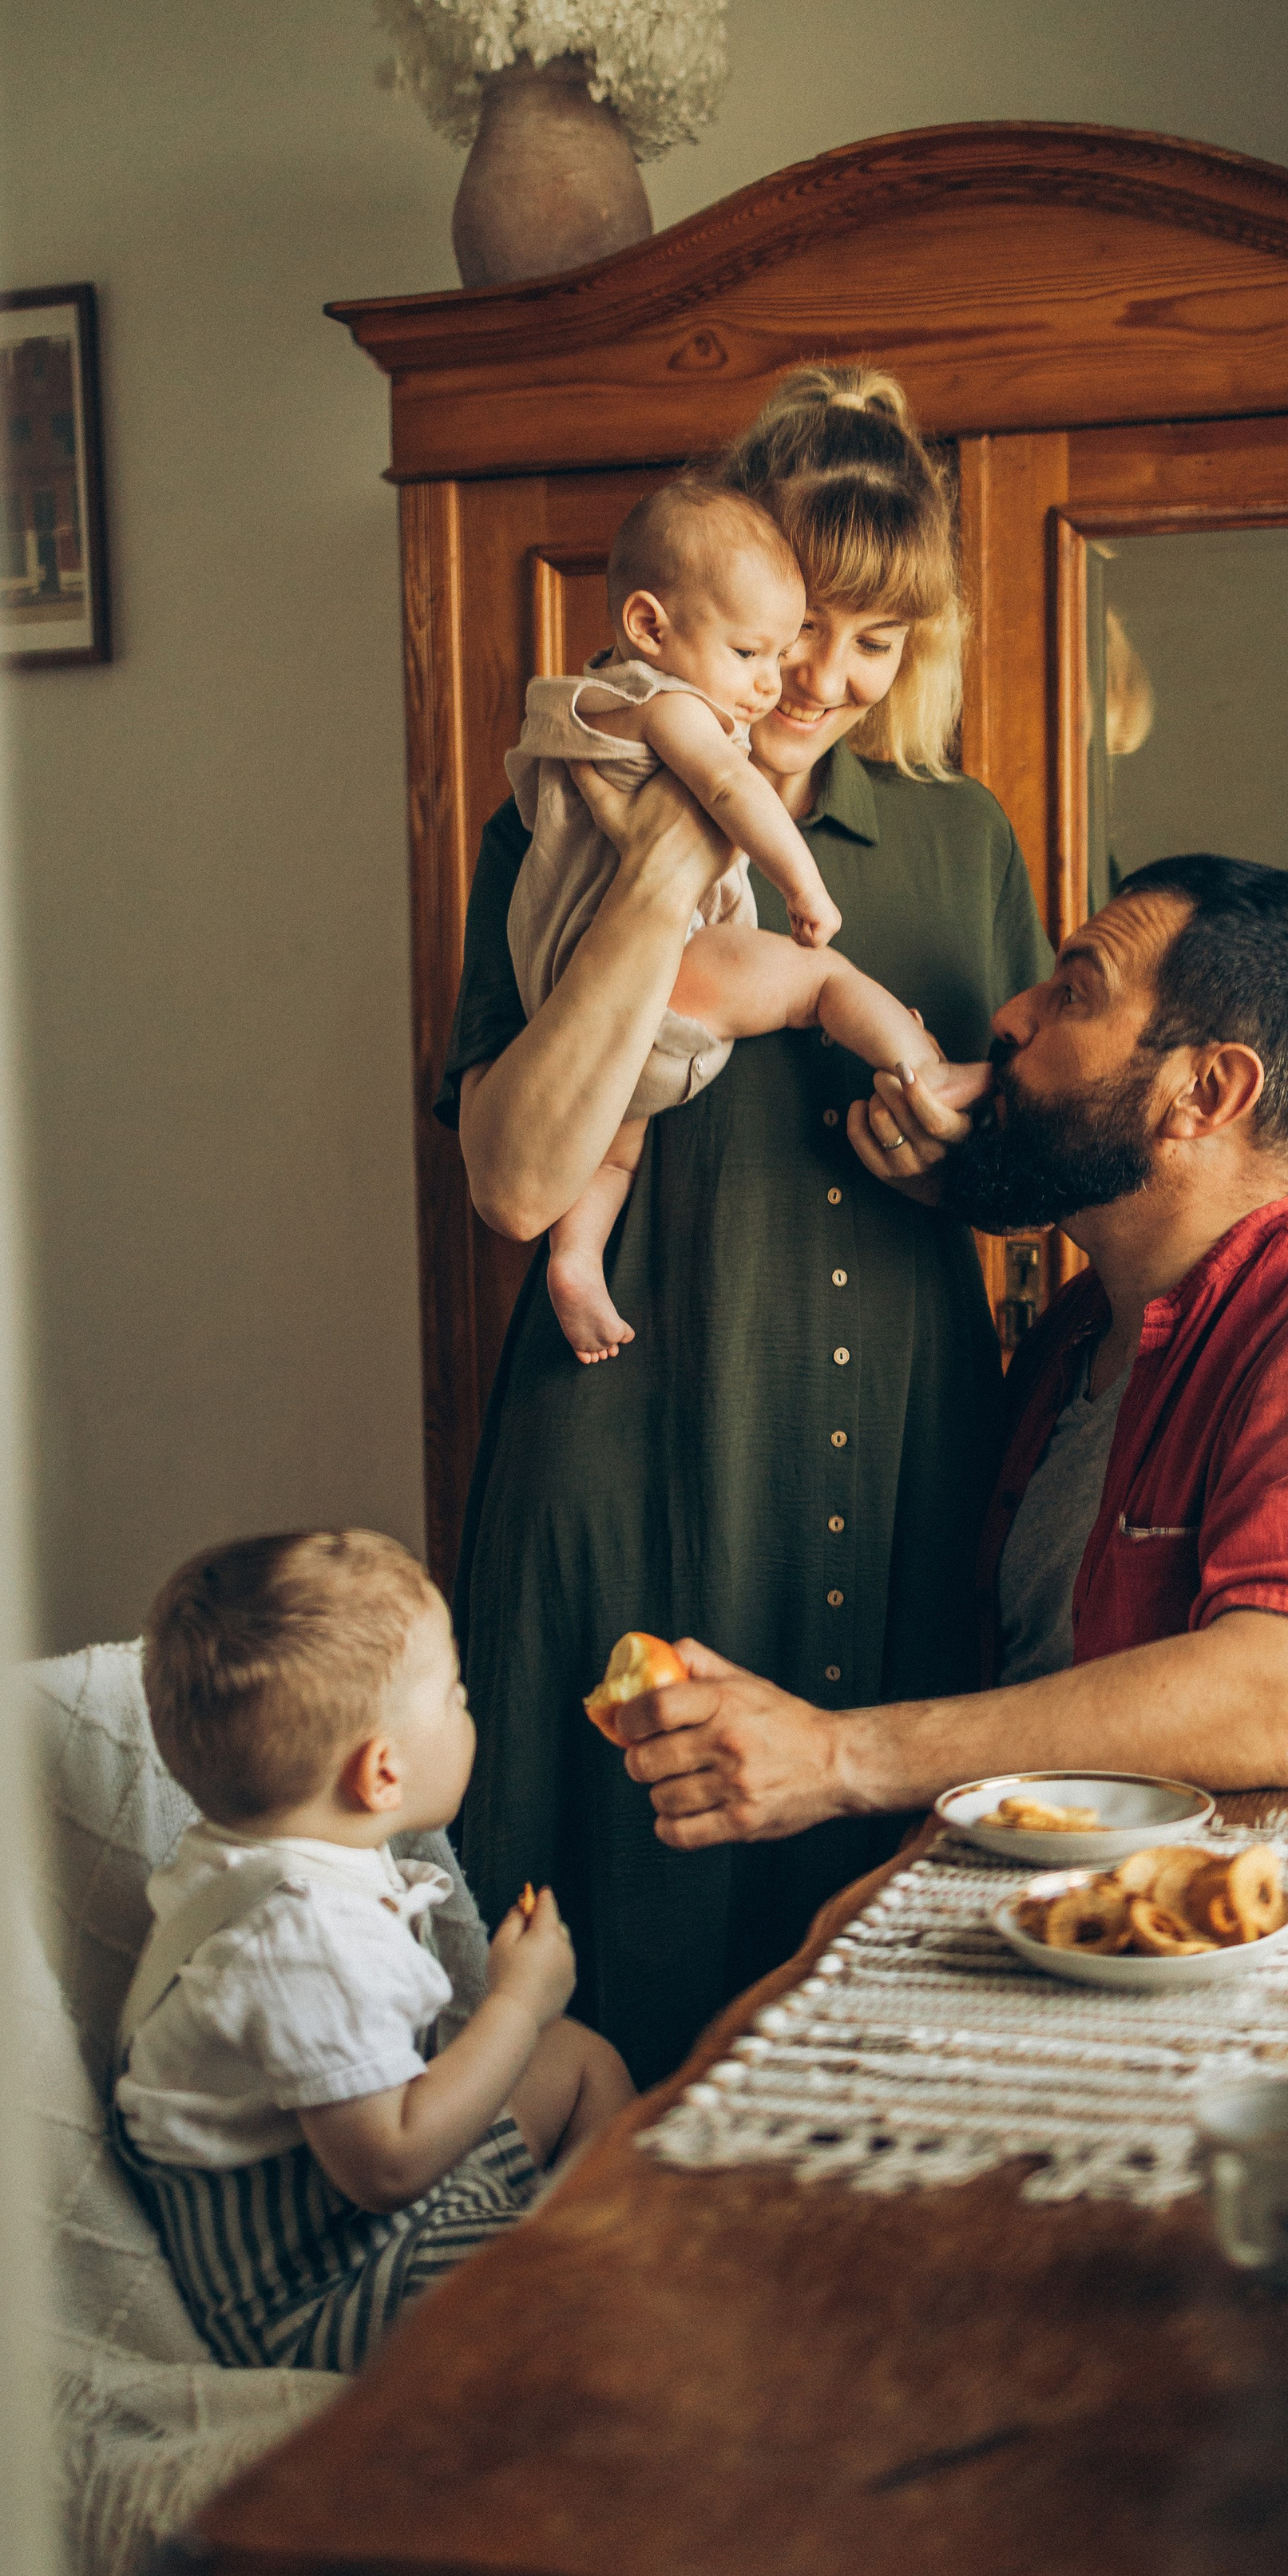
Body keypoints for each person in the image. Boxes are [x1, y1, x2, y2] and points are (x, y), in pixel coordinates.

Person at [441, 367, 1053, 2087]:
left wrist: (954, 1155)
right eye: (801, 632)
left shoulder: (956, 838)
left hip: (905, 1448)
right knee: (614, 1938)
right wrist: (663, 858)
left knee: (892, 1970)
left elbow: (1031, 1171)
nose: (820, 683)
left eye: (872, 646)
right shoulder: (558, 802)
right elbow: (510, 1179)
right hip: (638, 1433)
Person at [599, 858, 1288, 1847]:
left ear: (1207, 1089)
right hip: (1082, 1891)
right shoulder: (1081, 1322)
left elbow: (1272, 1699)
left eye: (1073, 991)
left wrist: (834, 1756)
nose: (1008, 1016)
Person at [113, 1528, 633, 2372]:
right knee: (601, 2304)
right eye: (456, 1696)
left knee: (577, 2061)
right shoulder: (306, 1936)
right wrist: (517, 1999)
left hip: (358, 2199)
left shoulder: (262, 1843)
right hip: (327, 2281)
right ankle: (573, 2286)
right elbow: (389, 2166)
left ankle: (573, 2242)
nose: (469, 1709)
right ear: (382, 1774)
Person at [505, 476, 959, 1363]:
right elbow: (726, 785)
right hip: (665, 971)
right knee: (822, 980)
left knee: (614, 1147)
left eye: (875, 640)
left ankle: (576, 1257)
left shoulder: (580, 699)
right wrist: (802, 886)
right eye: (764, 648)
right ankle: (923, 1066)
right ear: (649, 627)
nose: (785, 680)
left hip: (582, 1002)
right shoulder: (664, 704)